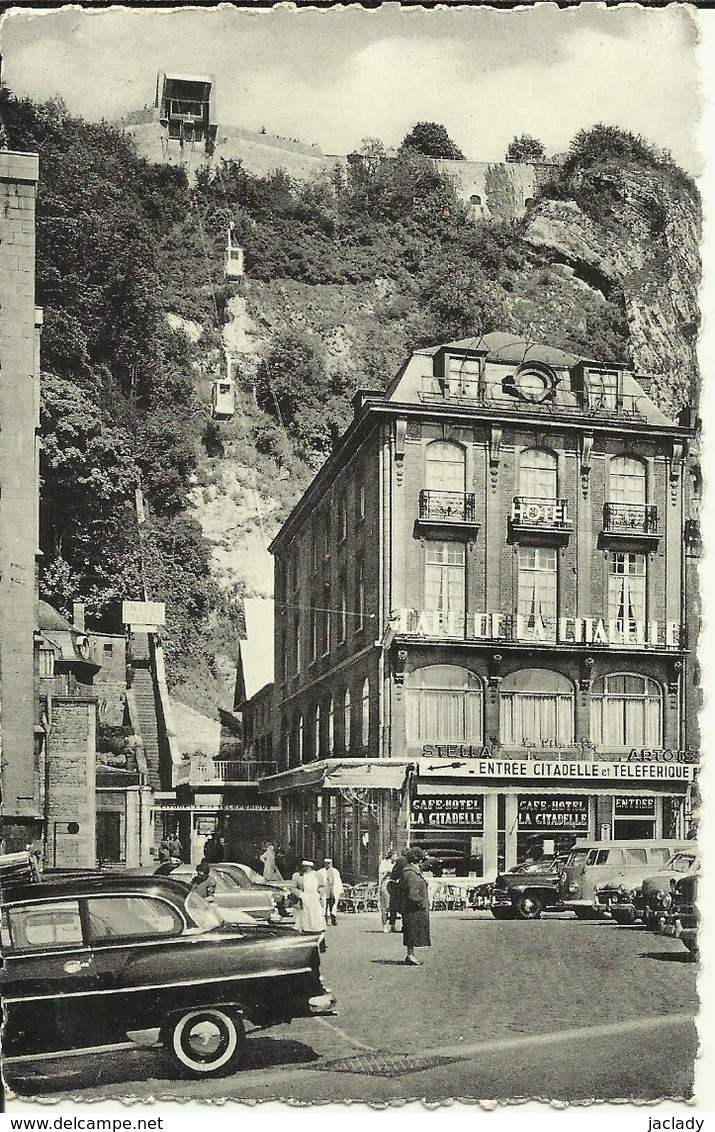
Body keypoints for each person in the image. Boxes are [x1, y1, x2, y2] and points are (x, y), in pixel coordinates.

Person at [400, 847, 431, 966]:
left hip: (410, 908)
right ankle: (410, 955)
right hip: (414, 909)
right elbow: (412, 894)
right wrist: (423, 902)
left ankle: (410, 954)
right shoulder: (412, 874)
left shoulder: (408, 872)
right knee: (412, 932)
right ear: (417, 860)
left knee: (411, 932)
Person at [291, 860, 327, 951]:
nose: (306, 868)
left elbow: (322, 886)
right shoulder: (297, 876)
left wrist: (320, 893)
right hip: (304, 900)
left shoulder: (317, 875)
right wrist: (300, 894)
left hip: (315, 900)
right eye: (304, 866)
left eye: (308, 867)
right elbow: (293, 888)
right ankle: (306, 944)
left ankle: (321, 944)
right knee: (304, 921)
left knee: (318, 921)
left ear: (311, 867)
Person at [316, 857, 344, 926]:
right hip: (324, 891)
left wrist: (341, 890)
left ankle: (333, 920)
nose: (327, 865)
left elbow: (338, 881)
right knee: (324, 906)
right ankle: (324, 920)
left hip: (332, 891)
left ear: (331, 864)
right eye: (326, 863)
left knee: (333, 906)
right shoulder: (320, 872)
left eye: (329, 863)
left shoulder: (335, 871)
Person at [388, 851, 407, 932]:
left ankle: (393, 925)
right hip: (402, 888)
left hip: (396, 888)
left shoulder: (399, 862)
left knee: (394, 907)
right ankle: (404, 926)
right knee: (404, 908)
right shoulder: (407, 863)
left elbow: (393, 875)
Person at [378, 851, 397, 932]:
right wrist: (388, 870)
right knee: (385, 905)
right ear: (390, 856)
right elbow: (381, 871)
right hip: (386, 884)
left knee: (394, 906)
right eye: (395, 856)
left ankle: (393, 924)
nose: (396, 857)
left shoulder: (396, 864)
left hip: (394, 884)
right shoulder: (384, 862)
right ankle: (384, 925)